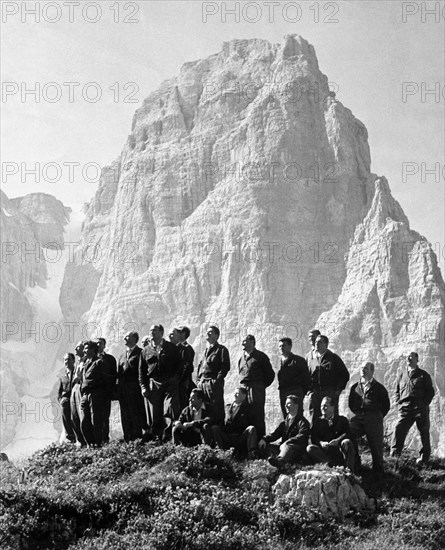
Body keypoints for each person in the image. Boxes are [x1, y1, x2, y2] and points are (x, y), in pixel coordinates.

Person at [391, 352, 435, 465]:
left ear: (417, 360)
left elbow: (430, 392)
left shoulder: (423, 375)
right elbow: (396, 391)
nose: (409, 359)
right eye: (407, 357)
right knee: (399, 428)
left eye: (412, 357)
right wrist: (398, 404)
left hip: (420, 408)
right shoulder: (401, 375)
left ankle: (424, 458)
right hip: (405, 408)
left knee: (423, 432)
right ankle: (395, 455)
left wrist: (424, 405)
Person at [139, 324, 182, 440]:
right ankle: (158, 440)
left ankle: (170, 437)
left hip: (170, 383)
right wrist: (144, 386)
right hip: (154, 384)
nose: (151, 333)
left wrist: (176, 378)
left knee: (169, 409)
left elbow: (180, 365)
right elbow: (141, 371)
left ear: (161, 333)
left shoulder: (171, 347)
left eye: (154, 331)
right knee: (155, 413)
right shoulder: (145, 351)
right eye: (150, 331)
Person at [349, 362, 390, 473]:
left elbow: (386, 405)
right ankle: (356, 464)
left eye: (366, 368)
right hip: (358, 418)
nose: (363, 370)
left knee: (376, 446)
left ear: (372, 371)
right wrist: (358, 413)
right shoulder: (355, 387)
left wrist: (377, 417)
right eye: (362, 368)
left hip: (374, 419)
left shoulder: (379, 388)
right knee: (349, 434)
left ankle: (378, 473)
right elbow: (351, 403)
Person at [258, 394, 310, 469]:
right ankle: (271, 458)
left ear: (296, 406)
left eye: (289, 404)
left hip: (296, 449)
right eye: (285, 404)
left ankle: (280, 462)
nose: (286, 406)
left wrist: (289, 441)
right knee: (266, 446)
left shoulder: (303, 422)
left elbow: (302, 436)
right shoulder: (285, 422)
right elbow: (275, 434)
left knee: (287, 446)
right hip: (284, 448)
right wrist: (264, 439)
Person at [238, 335, 275, 438]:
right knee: (244, 413)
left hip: (256, 388)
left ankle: (260, 440)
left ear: (252, 342)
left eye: (245, 341)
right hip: (244, 388)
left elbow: (270, 374)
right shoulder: (241, 359)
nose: (242, 343)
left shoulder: (260, 356)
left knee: (257, 414)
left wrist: (260, 386)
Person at [307, 396, 355, 471]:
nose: (323, 408)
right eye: (321, 406)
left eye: (325, 406)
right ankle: (331, 465)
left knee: (347, 442)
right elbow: (314, 437)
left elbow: (348, 433)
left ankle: (349, 470)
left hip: (340, 451)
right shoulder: (317, 421)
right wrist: (321, 443)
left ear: (332, 407)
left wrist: (338, 440)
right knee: (310, 448)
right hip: (326, 453)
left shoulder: (342, 420)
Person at [308, 335, 349, 420]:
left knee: (331, 419)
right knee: (314, 419)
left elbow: (344, 375)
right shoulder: (312, 359)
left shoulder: (333, 358)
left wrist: (337, 390)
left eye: (320, 342)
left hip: (330, 394)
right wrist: (309, 392)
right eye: (316, 342)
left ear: (326, 345)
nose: (317, 344)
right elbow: (307, 377)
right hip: (315, 395)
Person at [197, 325, 230, 425]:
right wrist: (198, 380)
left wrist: (217, 381)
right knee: (205, 407)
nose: (207, 334)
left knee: (216, 407)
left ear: (216, 336)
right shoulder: (205, 351)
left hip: (213, 383)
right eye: (207, 332)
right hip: (203, 383)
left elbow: (225, 366)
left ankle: (217, 431)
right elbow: (200, 367)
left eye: (210, 332)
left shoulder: (221, 350)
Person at [211, 386, 257, 458]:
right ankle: (219, 452)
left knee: (251, 428)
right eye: (235, 393)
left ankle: (252, 454)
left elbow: (250, 422)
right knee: (215, 428)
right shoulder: (227, 407)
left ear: (244, 396)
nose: (235, 395)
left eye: (237, 393)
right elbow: (222, 420)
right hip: (227, 436)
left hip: (240, 437)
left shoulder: (248, 408)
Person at [117, 331, 146, 442]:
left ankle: (137, 439)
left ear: (134, 338)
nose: (124, 338)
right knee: (125, 415)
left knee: (135, 414)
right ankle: (127, 439)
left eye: (127, 336)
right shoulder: (122, 356)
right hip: (123, 390)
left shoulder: (141, 353)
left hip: (135, 389)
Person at [80, 340, 108, 446]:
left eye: (86, 348)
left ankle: (98, 444)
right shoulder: (86, 363)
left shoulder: (99, 362)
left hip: (96, 394)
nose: (84, 351)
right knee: (84, 421)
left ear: (93, 350)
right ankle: (90, 443)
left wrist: (103, 396)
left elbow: (106, 380)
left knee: (96, 420)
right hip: (85, 395)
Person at [277, 337, 310, 417]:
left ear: (290, 346)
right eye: (280, 346)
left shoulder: (298, 361)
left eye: (284, 346)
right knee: (286, 416)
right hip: (283, 393)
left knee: (296, 415)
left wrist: (301, 392)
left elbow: (306, 378)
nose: (281, 348)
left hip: (295, 392)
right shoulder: (279, 362)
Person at [95, 337, 117, 443]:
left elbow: (114, 375)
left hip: (105, 393)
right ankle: (96, 440)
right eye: (97, 343)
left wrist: (110, 391)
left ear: (105, 345)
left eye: (101, 343)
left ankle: (105, 439)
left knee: (105, 416)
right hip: (94, 393)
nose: (98, 345)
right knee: (95, 416)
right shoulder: (90, 359)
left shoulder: (110, 359)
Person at [171, 326, 196, 411]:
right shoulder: (176, 347)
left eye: (179, 332)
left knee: (182, 401)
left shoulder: (187, 348)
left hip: (183, 381)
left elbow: (187, 366)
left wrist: (180, 378)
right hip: (176, 380)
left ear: (183, 334)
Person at [70, 341, 87, 446]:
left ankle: (85, 440)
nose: (75, 349)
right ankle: (79, 440)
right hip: (74, 388)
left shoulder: (86, 361)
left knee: (82, 415)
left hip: (80, 387)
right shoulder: (78, 362)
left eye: (78, 347)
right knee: (74, 415)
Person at [58, 353, 76, 443]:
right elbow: (60, 391)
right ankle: (70, 437)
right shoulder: (63, 376)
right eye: (65, 360)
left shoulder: (77, 372)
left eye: (69, 359)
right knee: (66, 417)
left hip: (76, 400)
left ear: (73, 360)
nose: (67, 362)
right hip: (66, 401)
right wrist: (60, 399)